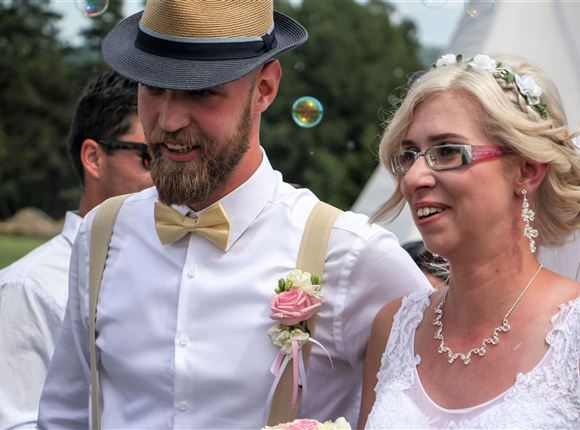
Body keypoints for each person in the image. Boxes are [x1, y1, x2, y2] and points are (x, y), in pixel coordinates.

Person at [37, 1, 431, 428]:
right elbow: (64, 415)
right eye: (152, 88)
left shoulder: (353, 255)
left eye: (200, 92)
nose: (168, 120)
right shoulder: (102, 233)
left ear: (265, 88)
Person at [359, 53, 580, 429]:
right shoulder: (393, 327)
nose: (413, 178)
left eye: (447, 151)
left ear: (526, 170)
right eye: (408, 155)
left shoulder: (572, 331)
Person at [0, 70, 152, 428]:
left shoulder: (173, 270)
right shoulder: (28, 288)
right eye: (148, 156)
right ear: (94, 158)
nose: (167, 172)